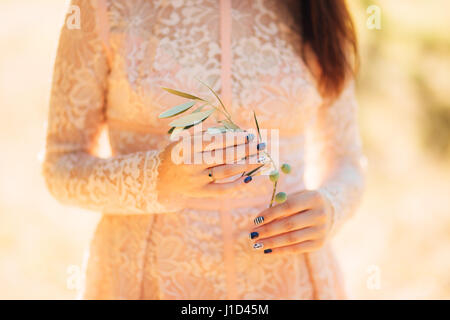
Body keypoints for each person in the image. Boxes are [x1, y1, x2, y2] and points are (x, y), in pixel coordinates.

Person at [42, 0, 365, 299]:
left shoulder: (316, 8)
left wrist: (330, 207)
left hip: (291, 282)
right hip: (147, 280)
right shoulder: (103, 7)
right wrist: (155, 179)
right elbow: (60, 166)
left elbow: (348, 160)